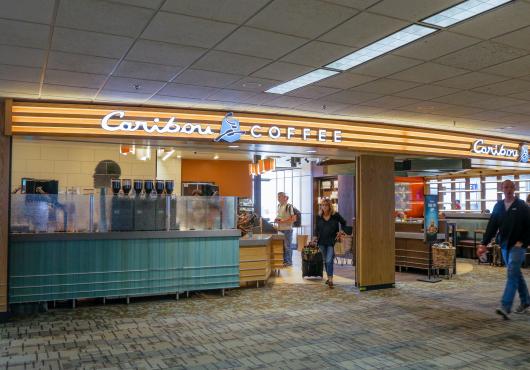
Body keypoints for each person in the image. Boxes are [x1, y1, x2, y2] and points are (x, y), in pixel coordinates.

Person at [478, 180, 530, 319]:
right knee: (515, 273)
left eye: (510, 187)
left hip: (518, 247)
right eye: (505, 187)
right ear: (501, 189)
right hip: (505, 245)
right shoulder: (498, 206)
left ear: (515, 188)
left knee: (512, 272)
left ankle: (505, 306)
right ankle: (526, 301)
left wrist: (522, 241)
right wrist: (484, 243)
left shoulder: (522, 206)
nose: (508, 189)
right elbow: (492, 226)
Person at [315, 198, 347, 288]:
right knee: (325, 260)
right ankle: (329, 278)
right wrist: (314, 237)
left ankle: (330, 279)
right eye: (322, 205)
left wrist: (341, 232)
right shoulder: (319, 216)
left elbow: (344, 223)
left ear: (329, 206)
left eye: (326, 205)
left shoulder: (335, 215)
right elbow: (316, 229)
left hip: (332, 241)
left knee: (329, 260)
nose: (324, 207)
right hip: (321, 241)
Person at [275, 192, 295, 266]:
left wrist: (283, 221)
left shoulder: (289, 206)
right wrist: (276, 219)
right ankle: (284, 261)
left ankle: (289, 262)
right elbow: (280, 216)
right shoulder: (279, 206)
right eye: (278, 197)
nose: (278, 198)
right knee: (282, 246)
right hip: (280, 229)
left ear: (285, 197)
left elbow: (293, 218)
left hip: (287, 229)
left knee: (287, 246)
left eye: (280, 197)